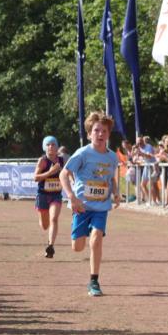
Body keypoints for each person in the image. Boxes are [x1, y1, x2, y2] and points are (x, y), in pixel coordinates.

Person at [60, 113, 121, 296]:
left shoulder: (112, 157)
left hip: (101, 208)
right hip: (82, 206)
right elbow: (64, 174)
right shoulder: (83, 153)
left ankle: (94, 281)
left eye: (104, 131)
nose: (100, 134)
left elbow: (111, 178)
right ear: (89, 134)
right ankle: (81, 229)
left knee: (96, 237)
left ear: (108, 134)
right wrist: (72, 196)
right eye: (96, 131)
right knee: (78, 247)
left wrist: (116, 192)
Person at [34, 135, 65, 258]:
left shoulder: (62, 161)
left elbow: (68, 174)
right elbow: (35, 178)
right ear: (44, 147)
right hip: (42, 195)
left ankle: (50, 246)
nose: (51, 147)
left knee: (54, 219)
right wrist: (50, 172)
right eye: (48, 145)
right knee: (45, 225)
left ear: (57, 147)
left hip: (56, 195)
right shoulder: (42, 161)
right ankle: (49, 239)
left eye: (53, 144)